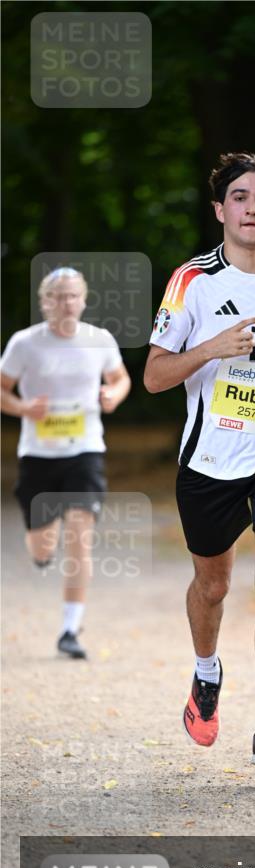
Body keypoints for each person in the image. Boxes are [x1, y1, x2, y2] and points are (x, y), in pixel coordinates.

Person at [144, 152, 255, 766]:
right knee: (212, 584)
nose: (252, 207)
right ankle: (205, 672)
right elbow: (153, 377)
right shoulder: (192, 281)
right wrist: (211, 348)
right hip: (209, 456)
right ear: (221, 210)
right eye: (241, 198)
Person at [0, 267, 131, 659]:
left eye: (72, 295)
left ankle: (70, 629)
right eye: (57, 296)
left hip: (85, 450)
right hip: (38, 454)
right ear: (44, 302)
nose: (66, 303)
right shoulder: (25, 344)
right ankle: (41, 552)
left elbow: (121, 378)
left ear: (84, 300)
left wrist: (114, 395)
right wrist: (23, 407)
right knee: (43, 545)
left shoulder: (100, 340)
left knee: (79, 536)